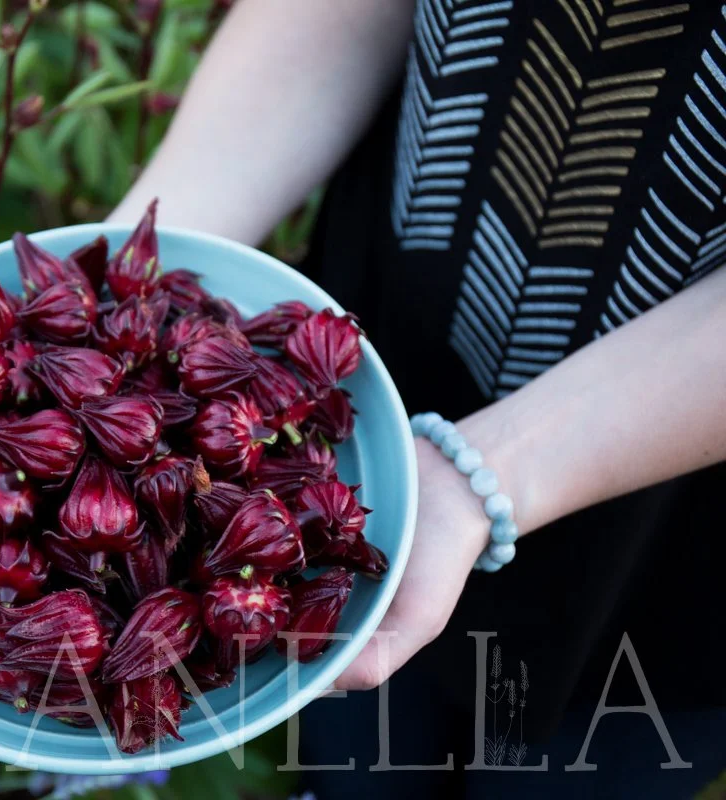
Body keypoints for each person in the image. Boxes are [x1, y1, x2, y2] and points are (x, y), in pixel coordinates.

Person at [109, 1, 726, 795]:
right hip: (368, 395)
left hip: (668, 507)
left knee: (575, 769)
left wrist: (482, 472)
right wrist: (125, 291)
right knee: (357, 754)